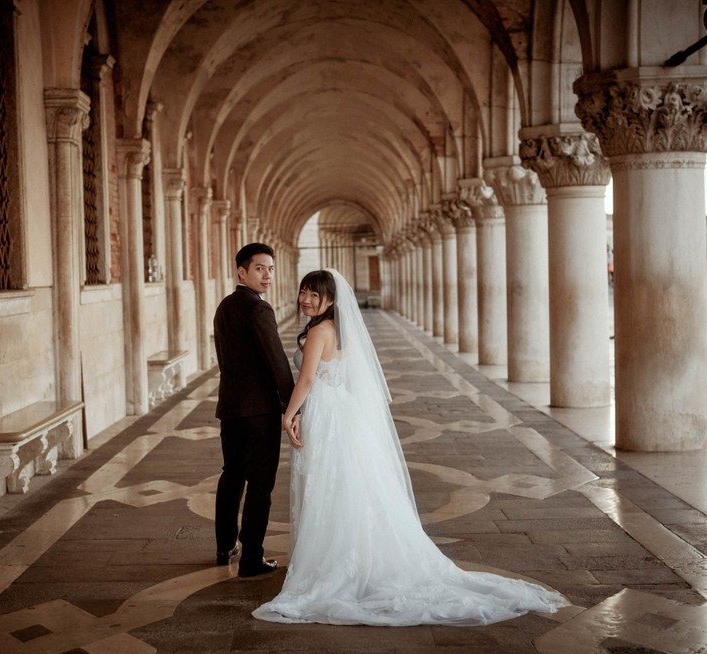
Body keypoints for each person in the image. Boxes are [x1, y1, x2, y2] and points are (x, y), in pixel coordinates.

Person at [253, 269, 570, 625]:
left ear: (331, 299)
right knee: (350, 485)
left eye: (314, 294)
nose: (305, 300)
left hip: (326, 415)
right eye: (303, 292)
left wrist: (289, 414)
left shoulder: (316, 332)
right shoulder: (341, 332)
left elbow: (308, 378)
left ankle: (331, 563)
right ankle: (354, 556)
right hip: (343, 414)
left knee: (328, 486)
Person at [213, 243, 295, 577]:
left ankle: (224, 545)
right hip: (259, 412)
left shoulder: (224, 307)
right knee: (260, 485)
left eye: (271, 269)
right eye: (260, 268)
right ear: (241, 271)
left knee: (231, 475)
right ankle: (251, 558)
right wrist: (292, 405)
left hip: (231, 408)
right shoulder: (259, 310)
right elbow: (277, 362)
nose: (267, 275)